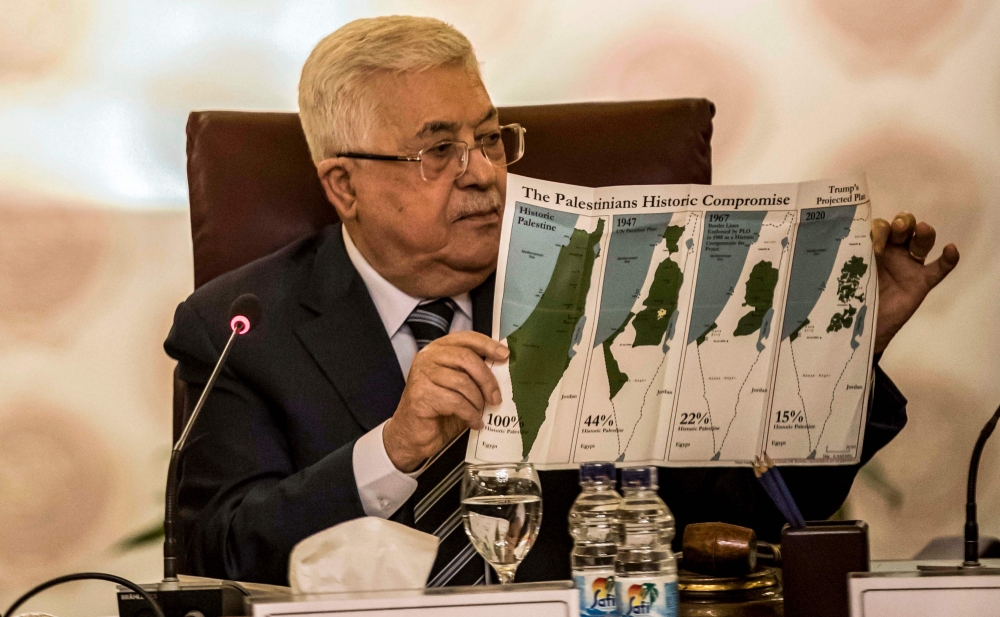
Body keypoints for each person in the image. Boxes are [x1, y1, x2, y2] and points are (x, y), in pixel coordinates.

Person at [164, 16, 960, 586]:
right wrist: (395, 447)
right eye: (439, 149)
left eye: (489, 137)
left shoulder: (595, 288)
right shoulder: (242, 325)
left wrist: (846, 350)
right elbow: (215, 556)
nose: (482, 172)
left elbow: (740, 517)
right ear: (344, 185)